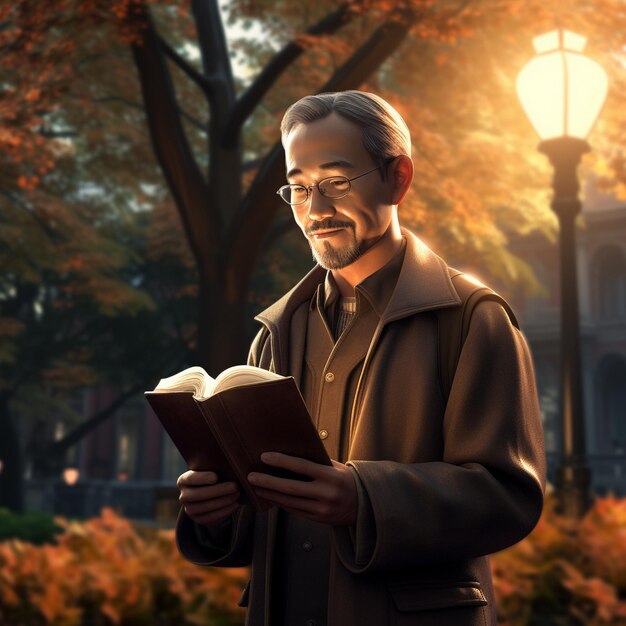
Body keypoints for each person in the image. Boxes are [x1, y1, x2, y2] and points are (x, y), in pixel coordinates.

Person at [175, 90, 546, 626]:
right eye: (299, 188)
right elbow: (256, 524)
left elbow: (509, 497)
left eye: (336, 183)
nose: (316, 211)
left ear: (398, 176)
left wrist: (363, 498)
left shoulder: (472, 319)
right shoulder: (275, 334)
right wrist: (216, 512)